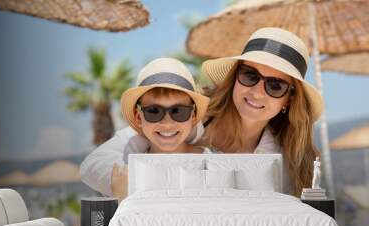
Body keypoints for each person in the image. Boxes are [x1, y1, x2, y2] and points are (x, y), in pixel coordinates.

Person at [80, 27, 323, 197]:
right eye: (250, 75)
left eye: (275, 86)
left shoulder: (286, 161)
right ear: (235, 77)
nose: (258, 92)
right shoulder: (182, 118)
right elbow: (94, 165)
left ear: (289, 100)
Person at [82, 57, 210, 198]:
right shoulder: (126, 174)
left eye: (178, 111)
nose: (167, 124)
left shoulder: (214, 164)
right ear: (138, 118)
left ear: (193, 116)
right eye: (154, 112)